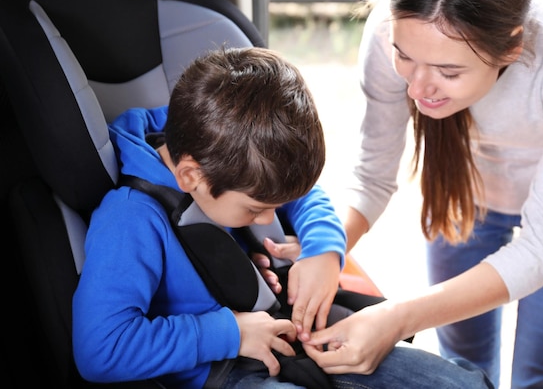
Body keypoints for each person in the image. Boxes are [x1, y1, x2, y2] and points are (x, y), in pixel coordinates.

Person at [255, 0, 543, 388]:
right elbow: (371, 176)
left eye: (448, 72)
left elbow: (541, 248)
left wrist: (397, 319)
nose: (418, 87)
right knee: (463, 361)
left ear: (511, 47)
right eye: (406, 58)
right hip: (463, 195)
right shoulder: (392, 26)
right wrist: (328, 246)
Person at [72, 47, 494, 389]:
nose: (268, 219)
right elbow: (100, 349)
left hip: (289, 327)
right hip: (223, 369)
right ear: (190, 177)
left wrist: (324, 249)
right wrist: (231, 333)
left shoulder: (235, 154)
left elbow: (303, 198)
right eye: (257, 209)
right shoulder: (130, 220)